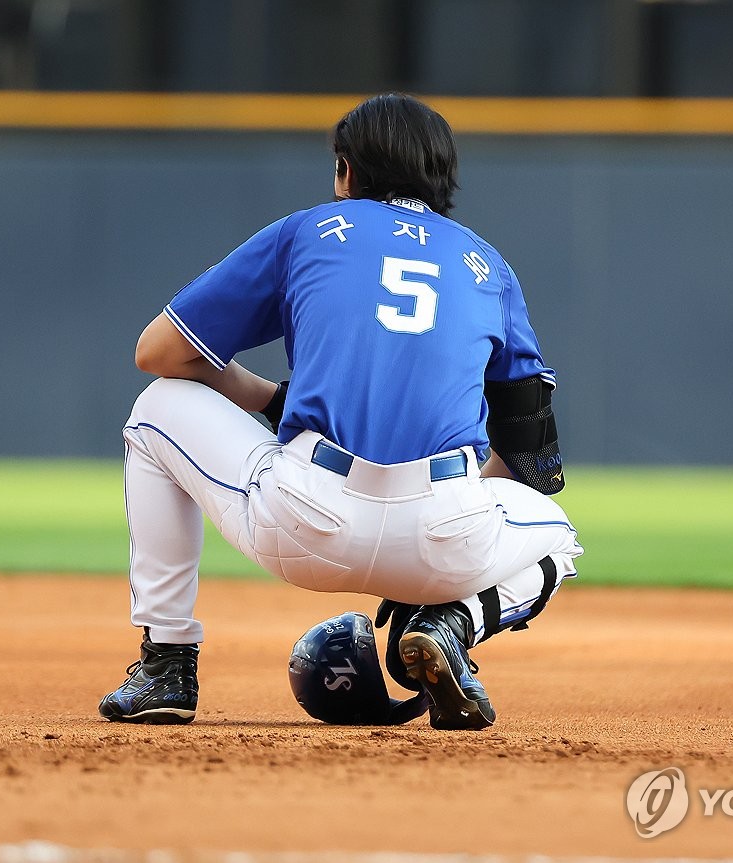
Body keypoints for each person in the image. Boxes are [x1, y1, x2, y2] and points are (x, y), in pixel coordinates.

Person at [99, 93, 583, 730]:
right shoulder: (488, 266)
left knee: (155, 409)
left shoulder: (307, 232)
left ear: (346, 172)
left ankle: (166, 663)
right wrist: (427, 559)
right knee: (554, 533)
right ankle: (452, 623)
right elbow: (532, 460)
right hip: (443, 539)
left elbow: (157, 352)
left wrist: (275, 401)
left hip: (306, 523)